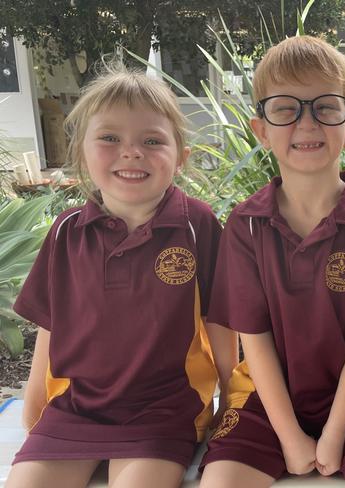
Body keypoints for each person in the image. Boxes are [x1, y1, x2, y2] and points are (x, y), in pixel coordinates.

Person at [199, 36, 345, 488]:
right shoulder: (246, 224)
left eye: (326, 107)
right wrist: (290, 437)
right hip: (265, 399)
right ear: (262, 130)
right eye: (285, 109)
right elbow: (257, 341)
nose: (306, 123)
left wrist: (334, 433)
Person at [6, 65, 238, 488]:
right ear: (81, 152)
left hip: (164, 410)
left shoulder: (196, 225)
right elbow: (49, 323)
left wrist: (232, 398)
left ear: (181, 158)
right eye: (110, 138)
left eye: (152, 141)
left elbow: (221, 319)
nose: (131, 152)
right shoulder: (65, 231)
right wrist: (34, 405)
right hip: (76, 408)